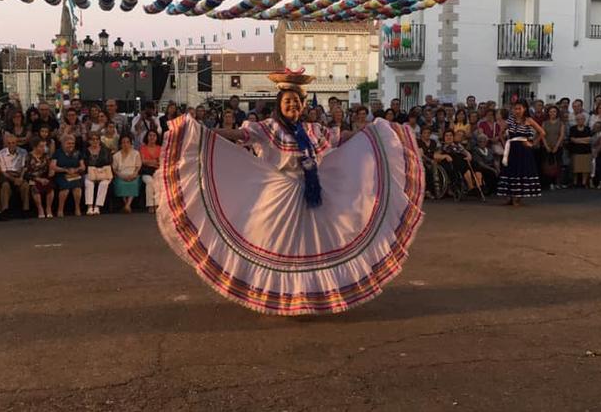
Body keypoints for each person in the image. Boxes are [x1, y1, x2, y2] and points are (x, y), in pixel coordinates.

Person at [154, 69, 424, 316]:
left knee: (315, 247)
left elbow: (341, 138)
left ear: (303, 105)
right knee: (278, 248)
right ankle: (285, 298)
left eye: (296, 102)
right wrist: (205, 133)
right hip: (278, 195)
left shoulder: (314, 130)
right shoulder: (267, 128)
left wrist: (373, 133)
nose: (292, 106)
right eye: (287, 102)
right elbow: (238, 135)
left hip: (314, 192)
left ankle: (310, 296)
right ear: (279, 106)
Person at [498, 101, 545, 206]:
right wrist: (505, 143)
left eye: (519, 108)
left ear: (524, 109)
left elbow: (542, 132)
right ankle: (509, 196)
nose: (517, 111)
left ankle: (518, 197)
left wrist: (532, 144)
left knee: (521, 171)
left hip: (523, 150)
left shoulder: (529, 120)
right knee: (511, 171)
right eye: (515, 109)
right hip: (512, 149)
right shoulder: (510, 120)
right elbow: (500, 133)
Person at [51, 135, 85, 217]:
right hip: (61, 174)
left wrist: (76, 170)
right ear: (63, 144)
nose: (71, 145)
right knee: (65, 189)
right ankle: (60, 209)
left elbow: (83, 167)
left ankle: (77, 208)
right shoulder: (58, 153)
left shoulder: (77, 153)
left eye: (72, 143)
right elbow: (52, 166)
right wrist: (65, 170)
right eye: (68, 143)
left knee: (77, 188)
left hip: (74, 174)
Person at [0, 133, 29, 216]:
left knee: (25, 185)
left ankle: (26, 210)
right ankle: (5, 211)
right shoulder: (1, 153)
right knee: (5, 186)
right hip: (7, 175)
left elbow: (24, 167)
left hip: (19, 174)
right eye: (9, 143)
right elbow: (3, 171)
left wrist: (21, 178)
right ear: (6, 143)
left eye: (13, 143)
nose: (11, 145)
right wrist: (14, 179)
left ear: (17, 143)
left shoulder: (23, 152)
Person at [83, 133, 112, 215]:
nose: (95, 141)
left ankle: (97, 206)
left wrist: (99, 169)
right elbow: (85, 164)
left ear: (99, 140)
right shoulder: (85, 151)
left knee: (104, 184)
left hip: (103, 173)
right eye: (92, 139)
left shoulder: (105, 150)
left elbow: (109, 162)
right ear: (89, 141)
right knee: (89, 183)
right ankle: (89, 207)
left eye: (97, 139)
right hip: (90, 173)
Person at [26, 137, 54, 219]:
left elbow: (51, 166)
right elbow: (27, 173)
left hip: (45, 176)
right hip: (34, 177)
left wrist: (51, 171)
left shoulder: (46, 155)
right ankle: (40, 208)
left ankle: (48, 208)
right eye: (41, 146)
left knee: (50, 186)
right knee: (35, 187)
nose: (43, 148)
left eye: (44, 146)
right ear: (35, 147)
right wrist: (39, 179)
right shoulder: (29, 156)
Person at [112, 135, 141, 213]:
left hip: (132, 173)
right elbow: (114, 169)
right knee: (121, 183)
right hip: (121, 174)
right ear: (120, 144)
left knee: (134, 183)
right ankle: (126, 204)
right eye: (123, 142)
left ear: (131, 143)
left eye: (127, 142)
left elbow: (138, 166)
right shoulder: (116, 155)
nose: (125, 144)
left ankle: (128, 204)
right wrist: (121, 176)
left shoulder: (136, 153)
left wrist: (134, 174)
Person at [568, 113, 593, 188]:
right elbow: (572, 140)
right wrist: (583, 140)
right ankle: (575, 183)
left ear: (584, 120)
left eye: (582, 119)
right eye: (578, 119)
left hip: (586, 151)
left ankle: (584, 183)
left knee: (585, 168)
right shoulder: (572, 128)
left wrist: (578, 140)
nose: (580, 121)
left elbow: (589, 139)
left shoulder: (587, 128)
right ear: (576, 120)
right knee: (575, 167)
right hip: (576, 151)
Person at [139, 129, 161, 213]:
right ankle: (150, 205)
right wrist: (154, 162)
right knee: (150, 182)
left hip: (158, 171)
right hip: (146, 171)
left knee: (158, 182)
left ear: (156, 137)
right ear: (147, 137)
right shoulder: (143, 148)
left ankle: (157, 204)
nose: (152, 137)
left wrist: (150, 162)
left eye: (154, 135)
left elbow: (161, 161)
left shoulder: (160, 148)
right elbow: (143, 161)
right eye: (150, 135)